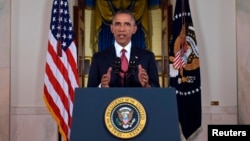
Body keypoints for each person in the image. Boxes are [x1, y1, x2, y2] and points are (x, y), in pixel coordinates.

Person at [87, 9, 160, 88]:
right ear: (112, 28)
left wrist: (147, 85)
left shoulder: (147, 57)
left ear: (134, 29)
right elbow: (90, 92)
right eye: (118, 24)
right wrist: (102, 86)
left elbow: (156, 90)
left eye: (127, 24)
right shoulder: (98, 58)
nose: (121, 29)